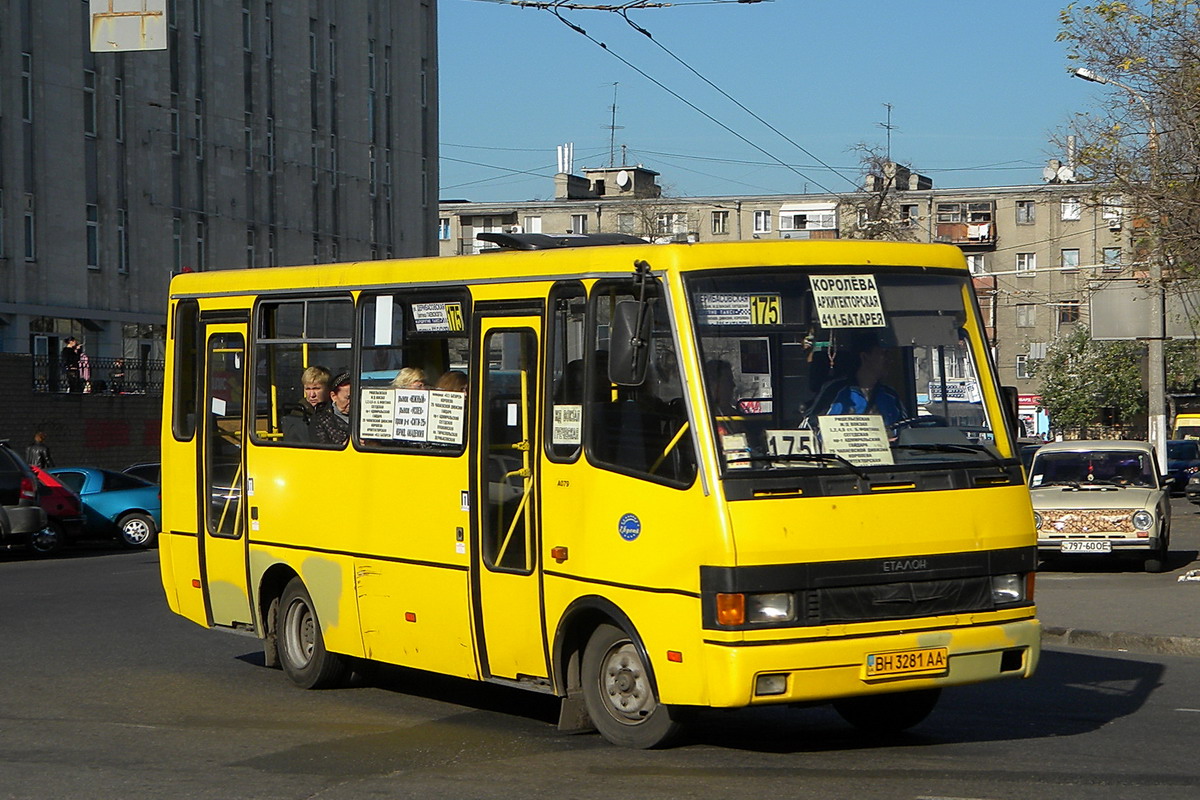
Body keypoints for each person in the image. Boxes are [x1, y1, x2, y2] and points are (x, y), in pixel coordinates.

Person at [806, 330, 910, 432]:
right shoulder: (835, 391)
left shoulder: (890, 396)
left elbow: (907, 431)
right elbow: (812, 429)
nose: (889, 359)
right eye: (883, 353)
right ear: (865, 357)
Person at [282, 365, 331, 443]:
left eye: (316, 388)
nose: (312, 395)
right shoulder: (299, 414)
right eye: (308, 389)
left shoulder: (337, 409)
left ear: (328, 389)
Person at [312, 370, 351, 446]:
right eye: (348, 398)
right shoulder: (320, 420)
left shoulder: (365, 417)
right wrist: (345, 445)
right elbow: (321, 450)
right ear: (333, 396)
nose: (353, 402)